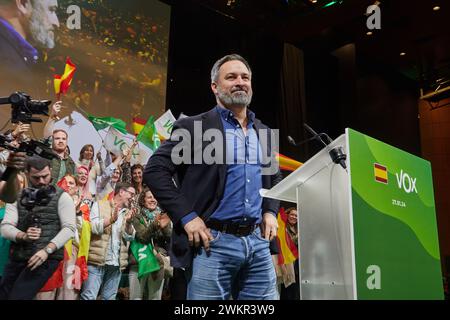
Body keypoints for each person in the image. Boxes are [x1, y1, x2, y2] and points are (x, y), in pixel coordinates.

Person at [144, 54, 282, 300]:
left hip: (258, 243)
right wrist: (187, 217)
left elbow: (274, 178)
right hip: (212, 244)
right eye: (231, 77)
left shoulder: (265, 132)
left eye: (245, 77)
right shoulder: (194, 127)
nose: (240, 82)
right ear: (214, 87)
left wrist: (270, 211)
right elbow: (155, 170)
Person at [0, 156, 76, 300]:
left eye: (45, 176)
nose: (41, 181)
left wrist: (47, 250)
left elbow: (69, 228)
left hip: (46, 258)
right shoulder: (17, 196)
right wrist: (23, 236)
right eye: (36, 178)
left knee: (18, 297)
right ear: (27, 174)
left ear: (51, 172)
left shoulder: (63, 197)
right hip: (18, 255)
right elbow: (5, 227)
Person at [80, 182, 136, 300]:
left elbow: (130, 237)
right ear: (121, 192)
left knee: (109, 298)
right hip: (96, 261)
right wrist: (111, 220)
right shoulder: (99, 205)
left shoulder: (128, 213)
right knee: (88, 297)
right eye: (131, 194)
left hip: (117, 264)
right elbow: (93, 227)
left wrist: (129, 223)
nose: (133, 198)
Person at [0, 0, 60, 92]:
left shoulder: (15, 53)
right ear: (23, 4)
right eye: (51, 10)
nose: (56, 23)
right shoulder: (7, 60)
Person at [129, 188, 172, 300]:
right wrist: (155, 224)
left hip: (157, 262)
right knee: (136, 298)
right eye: (149, 197)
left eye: (154, 197)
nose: (153, 200)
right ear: (143, 201)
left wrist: (165, 226)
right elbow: (143, 237)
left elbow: (169, 238)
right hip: (139, 262)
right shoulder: (137, 217)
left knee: (155, 298)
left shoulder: (163, 216)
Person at [279, 207, 299, 300]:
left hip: (297, 264)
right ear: (287, 215)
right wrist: (298, 236)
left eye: (296, 216)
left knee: (295, 289)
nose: (294, 217)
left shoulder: (297, 228)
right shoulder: (283, 227)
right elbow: (287, 243)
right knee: (287, 288)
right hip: (287, 263)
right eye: (292, 214)